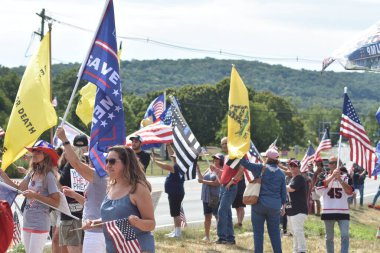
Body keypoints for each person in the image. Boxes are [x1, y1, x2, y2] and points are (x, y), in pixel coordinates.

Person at [83, 146, 155, 253]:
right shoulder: (112, 186)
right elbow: (114, 220)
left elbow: (151, 224)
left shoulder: (138, 188)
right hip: (115, 247)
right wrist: (94, 223)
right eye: (106, 161)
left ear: (126, 164)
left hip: (137, 248)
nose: (108, 165)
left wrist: (137, 222)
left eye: (112, 161)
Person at [0, 140, 60, 253]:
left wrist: (35, 196)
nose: (34, 153)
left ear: (46, 155)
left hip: (40, 223)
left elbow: (56, 202)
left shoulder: (49, 176)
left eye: (38, 151)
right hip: (27, 221)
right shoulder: (31, 173)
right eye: (34, 151)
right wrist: (3, 174)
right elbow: (18, 189)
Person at [56, 127, 107, 252]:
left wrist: (64, 140)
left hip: (96, 232)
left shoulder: (100, 175)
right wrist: (74, 195)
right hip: (94, 228)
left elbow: (76, 163)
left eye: (90, 158)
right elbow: (90, 203)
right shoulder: (103, 176)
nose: (88, 161)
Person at [239, 148, 287, 253]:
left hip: (259, 205)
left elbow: (244, 163)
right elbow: (284, 194)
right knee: (275, 233)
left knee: (258, 233)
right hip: (275, 207)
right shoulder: (281, 174)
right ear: (277, 159)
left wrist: (240, 149)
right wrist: (283, 207)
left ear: (267, 158)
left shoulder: (260, 168)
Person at [315, 155, 354, 253]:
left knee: (345, 235)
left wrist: (340, 179)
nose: (331, 164)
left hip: (343, 211)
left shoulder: (346, 177)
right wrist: (332, 176)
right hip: (328, 210)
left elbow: (350, 192)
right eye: (330, 162)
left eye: (334, 162)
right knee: (329, 238)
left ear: (339, 164)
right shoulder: (323, 175)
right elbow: (318, 189)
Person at [58, 134, 88, 253]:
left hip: (89, 216)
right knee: (74, 249)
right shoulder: (68, 164)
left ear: (87, 147)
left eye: (83, 147)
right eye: (77, 147)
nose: (80, 150)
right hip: (70, 215)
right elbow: (60, 185)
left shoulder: (93, 164)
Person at [214, 136, 244, 245]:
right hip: (223, 187)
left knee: (221, 211)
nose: (224, 145)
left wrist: (233, 180)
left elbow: (241, 169)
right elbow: (227, 171)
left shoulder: (234, 155)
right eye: (222, 144)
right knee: (226, 213)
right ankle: (230, 238)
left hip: (229, 187)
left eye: (226, 143)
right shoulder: (227, 157)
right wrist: (217, 170)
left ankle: (222, 237)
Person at [152, 145, 185, 238]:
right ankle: (176, 231)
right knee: (175, 213)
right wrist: (168, 145)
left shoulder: (177, 167)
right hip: (175, 192)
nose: (173, 159)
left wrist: (155, 161)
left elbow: (165, 166)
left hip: (175, 193)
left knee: (176, 213)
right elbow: (172, 154)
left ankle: (178, 233)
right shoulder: (179, 165)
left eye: (175, 158)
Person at [197, 153, 223, 241]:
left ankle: (220, 235)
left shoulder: (221, 170)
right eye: (214, 158)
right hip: (206, 196)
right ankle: (207, 236)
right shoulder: (209, 168)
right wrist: (198, 169)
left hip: (214, 196)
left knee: (217, 216)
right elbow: (201, 178)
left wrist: (203, 181)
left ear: (221, 160)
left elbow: (217, 183)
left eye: (217, 158)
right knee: (207, 216)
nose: (215, 159)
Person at [286, 159, 308, 253]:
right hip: (292, 209)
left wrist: (281, 184)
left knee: (298, 231)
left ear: (299, 167)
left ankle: (302, 250)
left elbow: (291, 189)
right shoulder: (293, 178)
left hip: (299, 210)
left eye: (294, 166)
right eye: (291, 166)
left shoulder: (299, 178)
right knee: (294, 232)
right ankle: (296, 250)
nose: (292, 168)